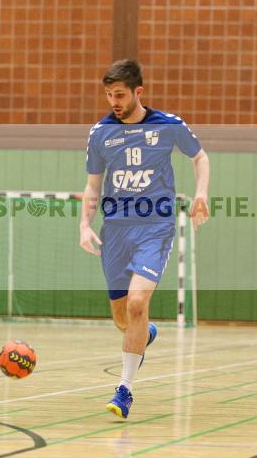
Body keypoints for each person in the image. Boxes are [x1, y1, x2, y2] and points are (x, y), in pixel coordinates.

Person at [79, 59, 210, 419]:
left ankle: (124, 390)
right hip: (116, 230)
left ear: (139, 91)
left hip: (155, 226)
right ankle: (144, 332)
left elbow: (200, 158)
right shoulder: (100, 133)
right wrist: (84, 225)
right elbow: (93, 185)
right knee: (125, 319)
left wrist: (201, 194)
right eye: (109, 95)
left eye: (119, 94)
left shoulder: (168, 126)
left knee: (138, 303)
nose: (114, 101)